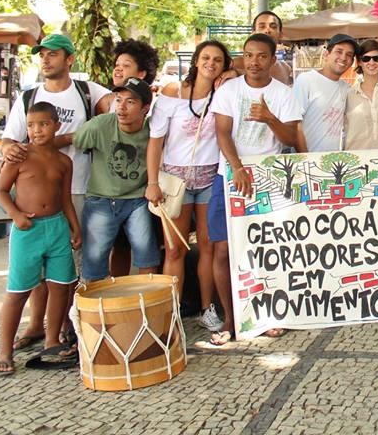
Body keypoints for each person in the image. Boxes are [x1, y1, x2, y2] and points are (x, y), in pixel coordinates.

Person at [0, 33, 109, 350]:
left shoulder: (88, 92)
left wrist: (74, 137)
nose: (46, 60)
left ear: (69, 59)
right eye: (42, 55)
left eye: (53, 54)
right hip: (33, 198)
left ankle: (62, 328)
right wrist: (11, 152)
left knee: (67, 266)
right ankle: (37, 324)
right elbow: (10, 139)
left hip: (78, 188)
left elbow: (117, 110)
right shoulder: (28, 97)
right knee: (33, 268)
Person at [208, 33, 299, 344]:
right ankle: (231, 319)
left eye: (261, 56)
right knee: (223, 249)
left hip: (267, 178)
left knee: (268, 249)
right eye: (248, 55)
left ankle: (270, 314)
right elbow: (222, 133)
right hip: (229, 177)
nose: (254, 62)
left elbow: (290, 138)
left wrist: (270, 118)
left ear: (273, 60)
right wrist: (236, 167)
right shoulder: (228, 90)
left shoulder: (284, 93)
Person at [0, 103, 81, 374]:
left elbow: (65, 198)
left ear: (57, 126)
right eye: (31, 125)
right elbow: (1, 191)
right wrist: (16, 215)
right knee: (19, 289)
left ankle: (52, 340)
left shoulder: (64, 161)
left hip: (58, 227)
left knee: (61, 285)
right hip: (28, 230)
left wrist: (75, 227)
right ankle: (5, 350)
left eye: (44, 124)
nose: (37, 130)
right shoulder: (20, 156)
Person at [146, 41, 232, 332]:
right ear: (196, 61)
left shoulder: (224, 93)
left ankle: (208, 308)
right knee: (174, 250)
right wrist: (152, 182)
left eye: (218, 60)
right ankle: (172, 312)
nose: (211, 63)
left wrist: (230, 78)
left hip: (209, 177)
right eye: (206, 58)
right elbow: (156, 140)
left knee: (207, 246)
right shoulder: (173, 93)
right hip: (175, 178)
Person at [66, 77, 159, 283]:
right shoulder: (100, 125)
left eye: (130, 102)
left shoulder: (153, 131)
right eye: (118, 99)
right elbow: (76, 141)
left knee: (147, 259)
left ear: (145, 108)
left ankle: (147, 309)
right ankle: (98, 312)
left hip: (137, 200)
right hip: (101, 199)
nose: (121, 107)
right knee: (94, 263)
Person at [291, 33, 357, 153]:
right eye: (339, 51)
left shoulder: (346, 88)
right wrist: (305, 158)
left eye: (349, 55)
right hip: (306, 160)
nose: (343, 58)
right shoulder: (306, 80)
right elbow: (295, 124)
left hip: (334, 162)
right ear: (326, 54)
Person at [345, 40, 378, 150]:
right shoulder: (348, 95)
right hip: (356, 161)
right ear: (359, 62)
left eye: (377, 58)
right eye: (366, 59)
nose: (371, 62)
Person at [219, 10, 293, 85]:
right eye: (262, 27)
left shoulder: (286, 69)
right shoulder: (236, 64)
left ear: (280, 34)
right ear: (253, 33)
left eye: (273, 27)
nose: (267, 30)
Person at [98, 38, 160, 112]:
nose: (118, 69)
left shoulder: (154, 107)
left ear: (141, 74)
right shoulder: (107, 101)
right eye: (117, 65)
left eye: (126, 65)